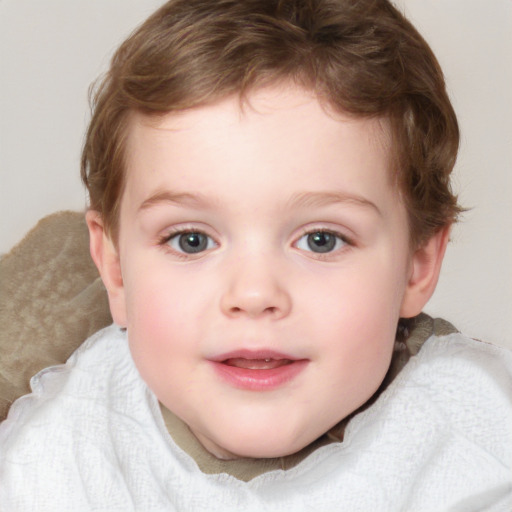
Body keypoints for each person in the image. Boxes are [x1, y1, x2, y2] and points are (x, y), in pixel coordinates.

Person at [1, 0, 511, 509]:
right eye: (191, 240)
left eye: (321, 240)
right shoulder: (76, 437)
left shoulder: (472, 449)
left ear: (417, 265)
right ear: (114, 267)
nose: (253, 293)